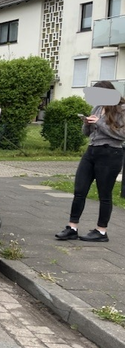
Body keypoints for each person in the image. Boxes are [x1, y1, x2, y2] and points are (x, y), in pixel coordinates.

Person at [55, 81, 125, 243]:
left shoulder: (121, 110)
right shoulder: (97, 108)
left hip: (110, 153)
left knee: (104, 194)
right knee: (80, 189)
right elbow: (88, 133)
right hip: (91, 151)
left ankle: (101, 231)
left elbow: (121, 135)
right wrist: (86, 124)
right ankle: (72, 227)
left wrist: (99, 123)